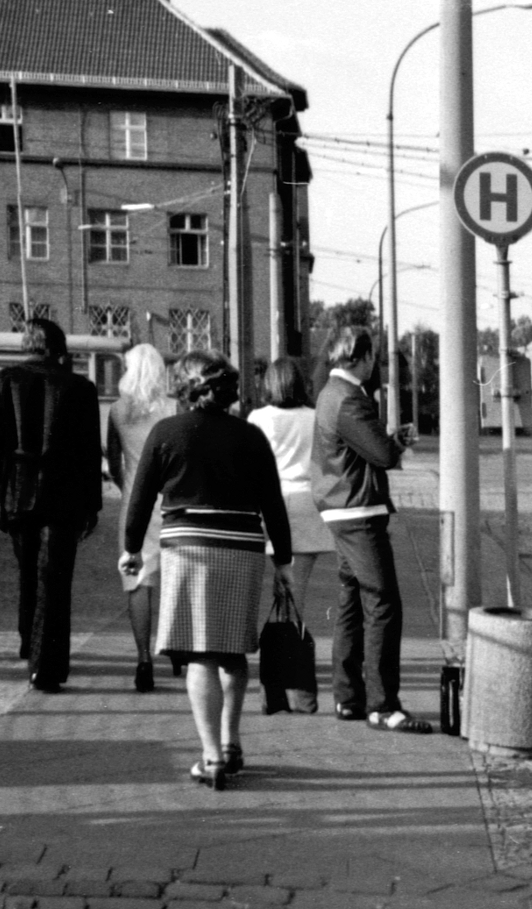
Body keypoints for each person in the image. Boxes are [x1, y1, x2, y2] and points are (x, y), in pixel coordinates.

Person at [121, 352, 292, 788]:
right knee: (233, 651)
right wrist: (283, 562)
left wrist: (131, 550)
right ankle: (232, 743)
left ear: (185, 387)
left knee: (201, 651)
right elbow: (273, 503)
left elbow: (141, 500)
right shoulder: (252, 437)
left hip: (188, 548)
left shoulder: (166, 433)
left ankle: (212, 756)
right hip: (243, 548)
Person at [314, 326, 428, 733]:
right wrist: (393, 444)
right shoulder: (350, 400)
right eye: (372, 357)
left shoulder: (331, 394)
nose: (373, 364)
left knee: (350, 602)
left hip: (340, 507)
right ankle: (382, 705)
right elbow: (380, 455)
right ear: (360, 358)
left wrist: (389, 440)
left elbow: (363, 449)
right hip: (357, 509)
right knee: (382, 603)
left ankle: (348, 698)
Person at [0, 319, 102, 694]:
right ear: (58, 347)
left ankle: (27, 640)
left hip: (18, 490)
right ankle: (45, 665)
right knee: (55, 577)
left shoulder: (4, 381)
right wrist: (92, 505)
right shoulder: (81, 387)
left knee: (28, 569)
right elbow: (88, 452)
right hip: (64, 492)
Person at [249, 357, 337, 703]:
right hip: (307, 507)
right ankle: (289, 679)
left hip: (270, 506)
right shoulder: (314, 417)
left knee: (281, 592)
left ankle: (280, 681)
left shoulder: (258, 419)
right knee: (295, 593)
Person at [106, 343, 179, 692]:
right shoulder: (173, 408)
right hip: (171, 501)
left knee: (138, 581)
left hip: (136, 502)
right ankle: (177, 647)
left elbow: (114, 462)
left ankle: (143, 659)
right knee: (174, 576)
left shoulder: (118, 411)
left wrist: (129, 488)